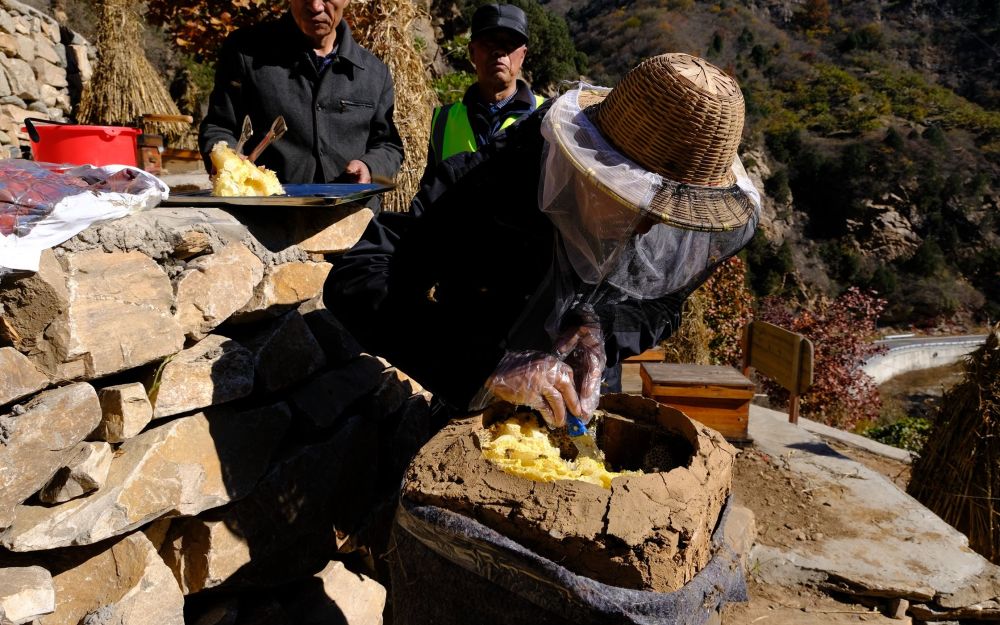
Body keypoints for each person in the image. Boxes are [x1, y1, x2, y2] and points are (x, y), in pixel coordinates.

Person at [326, 53, 761, 429]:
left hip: (573, 403)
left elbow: (664, 303)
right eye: (632, 205)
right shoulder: (489, 183)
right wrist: (488, 364)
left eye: (665, 218)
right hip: (466, 392)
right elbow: (358, 276)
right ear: (591, 171)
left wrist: (599, 332)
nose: (647, 229)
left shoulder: (658, 222)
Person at [199, 0, 404, 195]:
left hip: (354, 219)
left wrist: (369, 166)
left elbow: (388, 145)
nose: (315, 6)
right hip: (266, 219)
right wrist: (227, 160)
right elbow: (219, 127)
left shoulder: (374, 73)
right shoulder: (246, 53)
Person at [425, 3, 544, 169]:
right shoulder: (442, 122)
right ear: (472, 52)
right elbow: (430, 190)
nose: (499, 51)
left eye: (510, 43)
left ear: (523, 55)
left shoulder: (547, 117)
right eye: (489, 42)